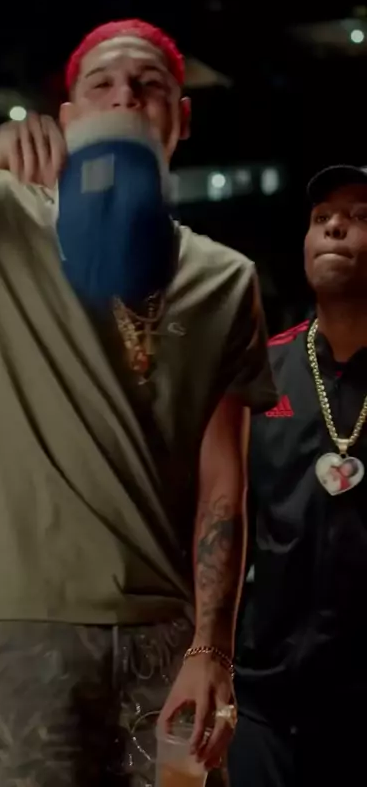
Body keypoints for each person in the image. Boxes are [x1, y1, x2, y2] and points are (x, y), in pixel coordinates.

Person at [0, 19, 276, 787]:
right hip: (15, 628)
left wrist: (212, 651)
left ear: (180, 118)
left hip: (168, 641)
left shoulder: (228, 278)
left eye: (148, 84)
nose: (125, 95)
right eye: (101, 83)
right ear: (68, 117)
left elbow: (224, 485)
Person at [229, 165, 367, 787]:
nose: (335, 227)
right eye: (321, 218)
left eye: (359, 217)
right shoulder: (264, 370)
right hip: (262, 697)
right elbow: (223, 513)